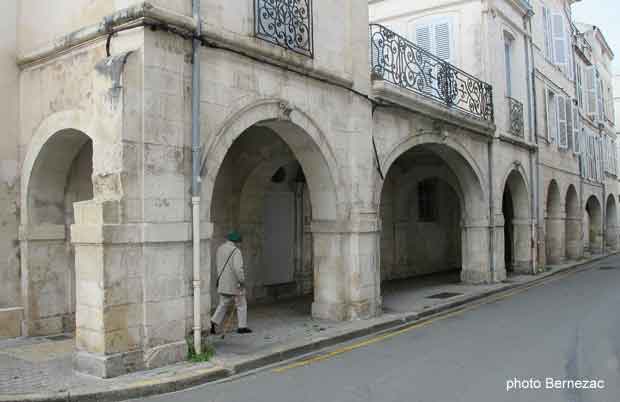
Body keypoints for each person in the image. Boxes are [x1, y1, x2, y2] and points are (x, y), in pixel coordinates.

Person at [210, 231, 253, 334]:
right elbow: (238, 269)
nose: (239, 244)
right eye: (239, 242)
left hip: (223, 282)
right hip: (235, 284)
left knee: (223, 303)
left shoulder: (220, 249)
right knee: (241, 304)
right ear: (236, 241)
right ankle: (242, 327)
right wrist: (242, 281)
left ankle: (213, 322)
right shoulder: (236, 251)